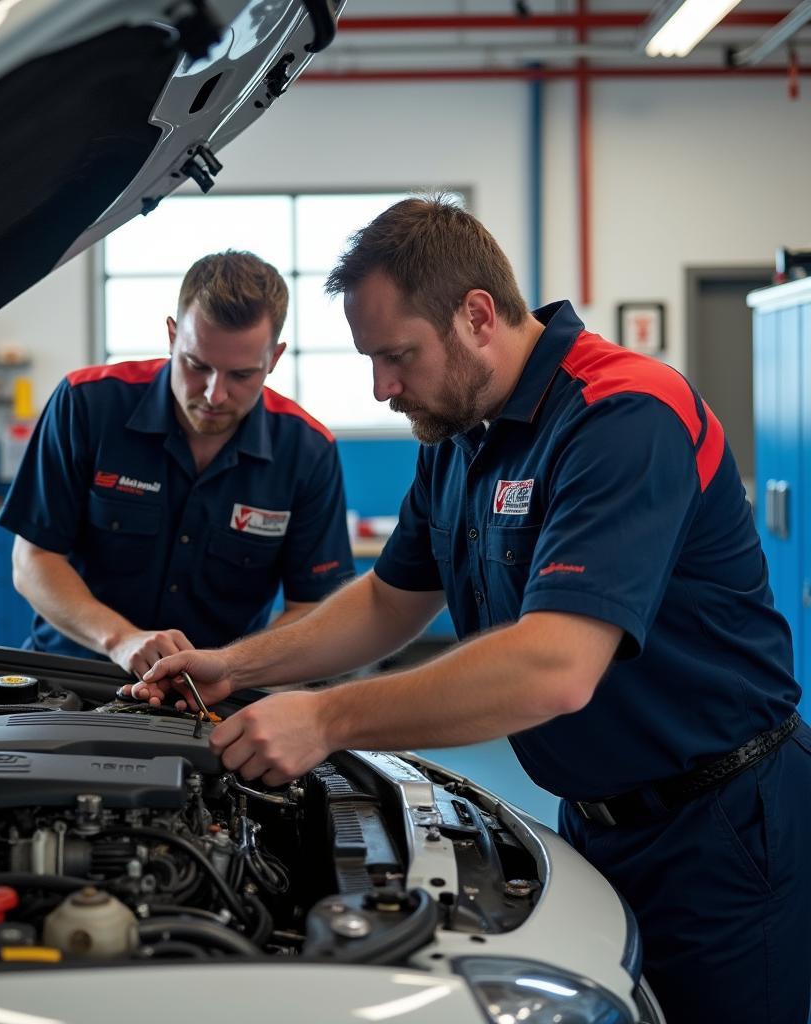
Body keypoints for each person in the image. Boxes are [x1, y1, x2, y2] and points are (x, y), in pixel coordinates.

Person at [137, 198, 811, 1023]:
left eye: (397, 356)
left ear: (477, 315)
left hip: (723, 829)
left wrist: (326, 720)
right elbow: (390, 600)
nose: (383, 387)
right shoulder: (460, 433)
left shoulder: (622, 415)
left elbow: (554, 669)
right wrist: (232, 663)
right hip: (595, 817)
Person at [0, 250, 354, 678]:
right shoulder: (86, 404)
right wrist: (120, 639)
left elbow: (313, 607)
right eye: (196, 365)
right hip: (74, 676)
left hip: (214, 694)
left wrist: (231, 667)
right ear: (171, 336)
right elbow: (33, 560)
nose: (214, 394)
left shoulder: (307, 451)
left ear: (273, 359)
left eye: (241, 375)